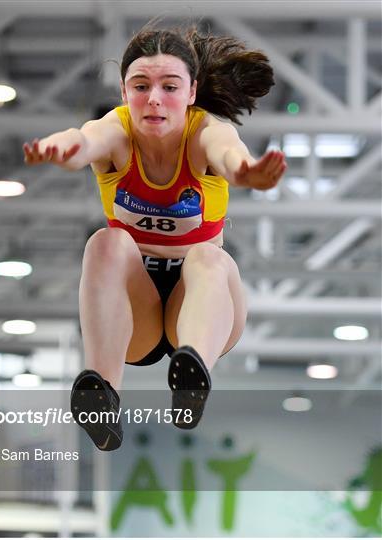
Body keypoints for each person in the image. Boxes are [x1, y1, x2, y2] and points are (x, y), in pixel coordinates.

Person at [23, 25, 287, 451]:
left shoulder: (204, 132)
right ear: (124, 91)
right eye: (140, 86)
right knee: (104, 243)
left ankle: (193, 375)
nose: (154, 99)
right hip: (135, 310)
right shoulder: (116, 130)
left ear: (192, 92)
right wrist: (60, 147)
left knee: (208, 256)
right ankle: (102, 395)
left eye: (170, 86)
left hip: (203, 304)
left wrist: (244, 172)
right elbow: (84, 140)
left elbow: (229, 153)